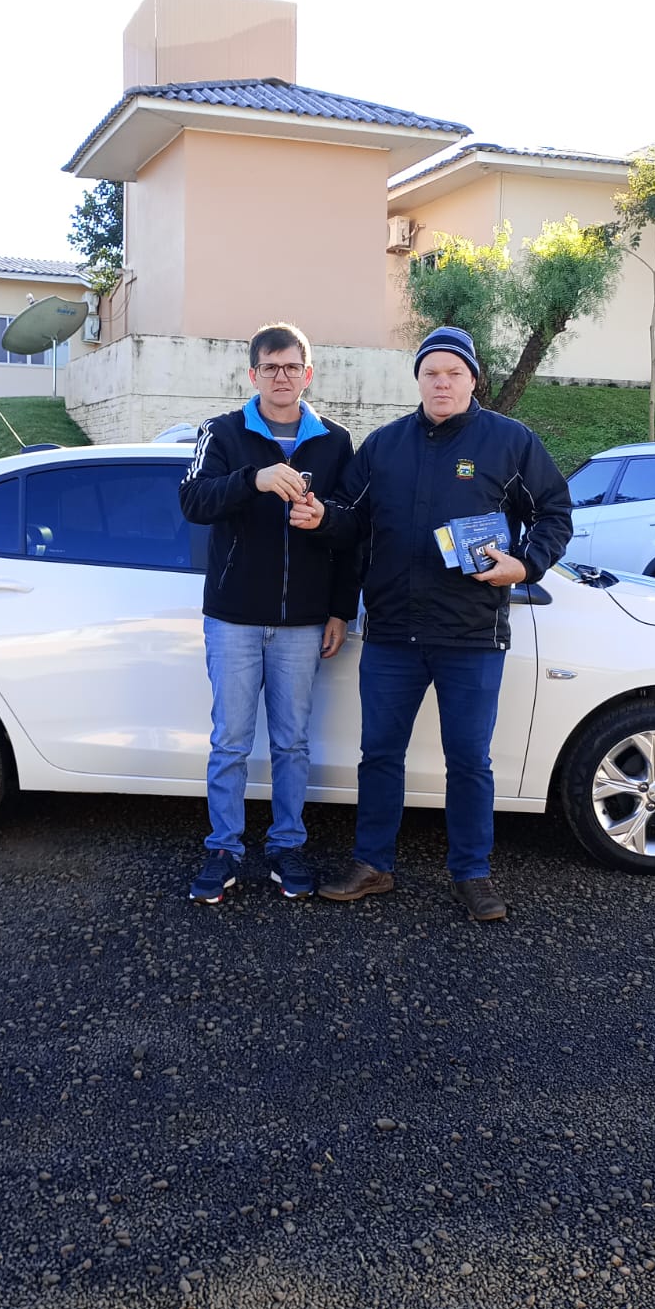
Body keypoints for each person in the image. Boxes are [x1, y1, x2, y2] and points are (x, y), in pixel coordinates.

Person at [289, 325, 572, 921]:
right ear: (417, 380)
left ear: (473, 380)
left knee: (469, 760)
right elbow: (350, 520)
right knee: (379, 754)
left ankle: (472, 873)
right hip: (393, 632)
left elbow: (554, 511)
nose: (442, 383)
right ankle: (373, 864)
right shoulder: (384, 446)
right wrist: (321, 518)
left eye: (453, 373)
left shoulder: (511, 442)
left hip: (471, 635)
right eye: (431, 373)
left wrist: (526, 564)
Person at [179, 322, 359, 904]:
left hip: (303, 623)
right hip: (233, 618)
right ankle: (223, 848)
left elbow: (354, 528)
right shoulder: (222, 432)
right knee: (231, 741)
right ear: (253, 374)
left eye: (291, 367)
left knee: (292, 743)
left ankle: (286, 845)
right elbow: (192, 500)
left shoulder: (334, 441)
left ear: (308, 374)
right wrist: (251, 480)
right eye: (270, 367)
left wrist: (339, 607)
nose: (282, 377)